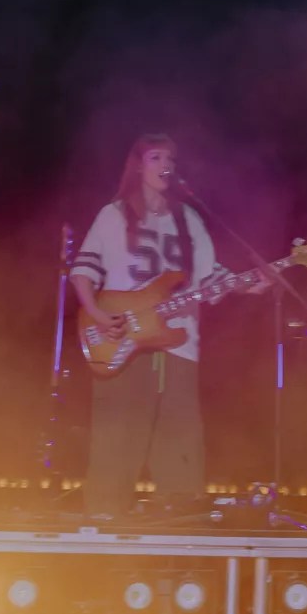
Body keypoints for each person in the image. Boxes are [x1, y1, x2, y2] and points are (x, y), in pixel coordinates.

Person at [69, 134, 226, 521]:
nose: (164, 164)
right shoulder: (115, 214)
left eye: (170, 157)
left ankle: (180, 520)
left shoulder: (188, 219)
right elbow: (82, 272)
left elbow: (210, 276)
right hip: (122, 337)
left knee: (180, 432)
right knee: (117, 433)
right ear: (138, 166)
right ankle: (104, 520)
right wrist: (98, 314)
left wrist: (253, 281)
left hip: (179, 345)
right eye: (155, 157)